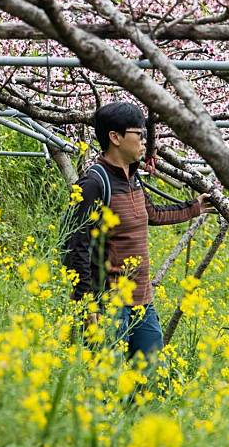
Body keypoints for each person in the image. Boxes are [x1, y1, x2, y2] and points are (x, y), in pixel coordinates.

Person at [62, 101, 209, 358]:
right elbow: (75, 246)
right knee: (108, 383)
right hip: (110, 304)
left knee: (152, 377)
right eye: (139, 134)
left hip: (143, 301)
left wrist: (194, 207)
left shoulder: (132, 178)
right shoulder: (94, 184)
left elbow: (151, 214)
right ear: (115, 137)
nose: (145, 141)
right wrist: (87, 306)